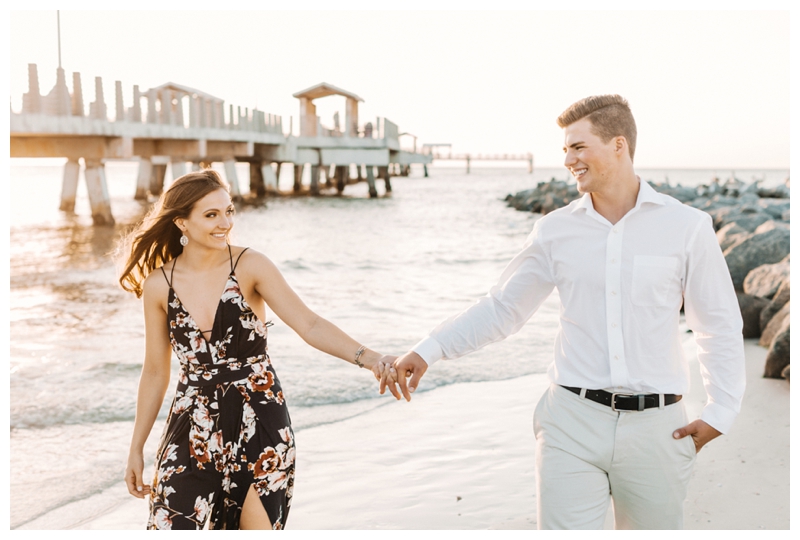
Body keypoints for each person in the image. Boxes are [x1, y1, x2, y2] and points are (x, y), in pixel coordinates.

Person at [380, 95, 745, 529]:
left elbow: (717, 322)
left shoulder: (687, 226)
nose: (569, 160)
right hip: (570, 421)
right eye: (566, 150)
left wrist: (722, 410)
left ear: (618, 145)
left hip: (657, 429)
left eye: (578, 147)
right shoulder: (555, 230)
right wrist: (430, 349)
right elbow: (503, 308)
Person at [119, 169, 392, 530]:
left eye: (229, 211)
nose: (225, 223)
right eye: (211, 215)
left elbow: (308, 324)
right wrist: (136, 449)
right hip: (193, 426)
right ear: (182, 222)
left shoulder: (249, 265)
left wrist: (371, 358)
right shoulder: (159, 285)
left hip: (258, 417)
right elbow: (155, 371)